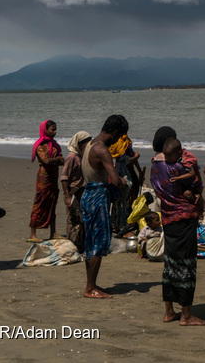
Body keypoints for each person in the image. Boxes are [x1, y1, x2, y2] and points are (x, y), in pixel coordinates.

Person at [151, 136, 205, 326]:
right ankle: (186, 314)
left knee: (170, 264)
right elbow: (197, 184)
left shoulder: (156, 167)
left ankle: (169, 311)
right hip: (184, 218)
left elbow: (157, 188)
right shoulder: (181, 167)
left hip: (167, 217)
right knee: (186, 265)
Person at [81, 114, 128, 299]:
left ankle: (91, 283)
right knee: (98, 244)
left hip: (88, 195)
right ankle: (90, 288)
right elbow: (115, 180)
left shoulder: (89, 145)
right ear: (115, 132)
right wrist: (123, 181)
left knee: (90, 242)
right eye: (119, 137)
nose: (118, 141)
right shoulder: (102, 150)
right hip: (98, 197)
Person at [28, 120, 64, 242]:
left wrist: (55, 160)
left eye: (55, 129)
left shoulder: (55, 145)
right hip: (44, 177)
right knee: (39, 202)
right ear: (45, 130)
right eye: (52, 129)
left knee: (52, 202)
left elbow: (61, 160)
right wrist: (57, 159)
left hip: (53, 177)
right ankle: (32, 234)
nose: (55, 132)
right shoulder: (39, 145)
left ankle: (53, 232)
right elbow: (46, 161)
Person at [61, 130, 92, 253]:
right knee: (75, 221)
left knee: (82, 220)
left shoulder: (81, 156)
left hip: (81, 191)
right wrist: (67, 197)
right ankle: (74, 246)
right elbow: (64, 178)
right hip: (73, 192)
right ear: (79, 144)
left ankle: (80, 246)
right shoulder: (72, 157)